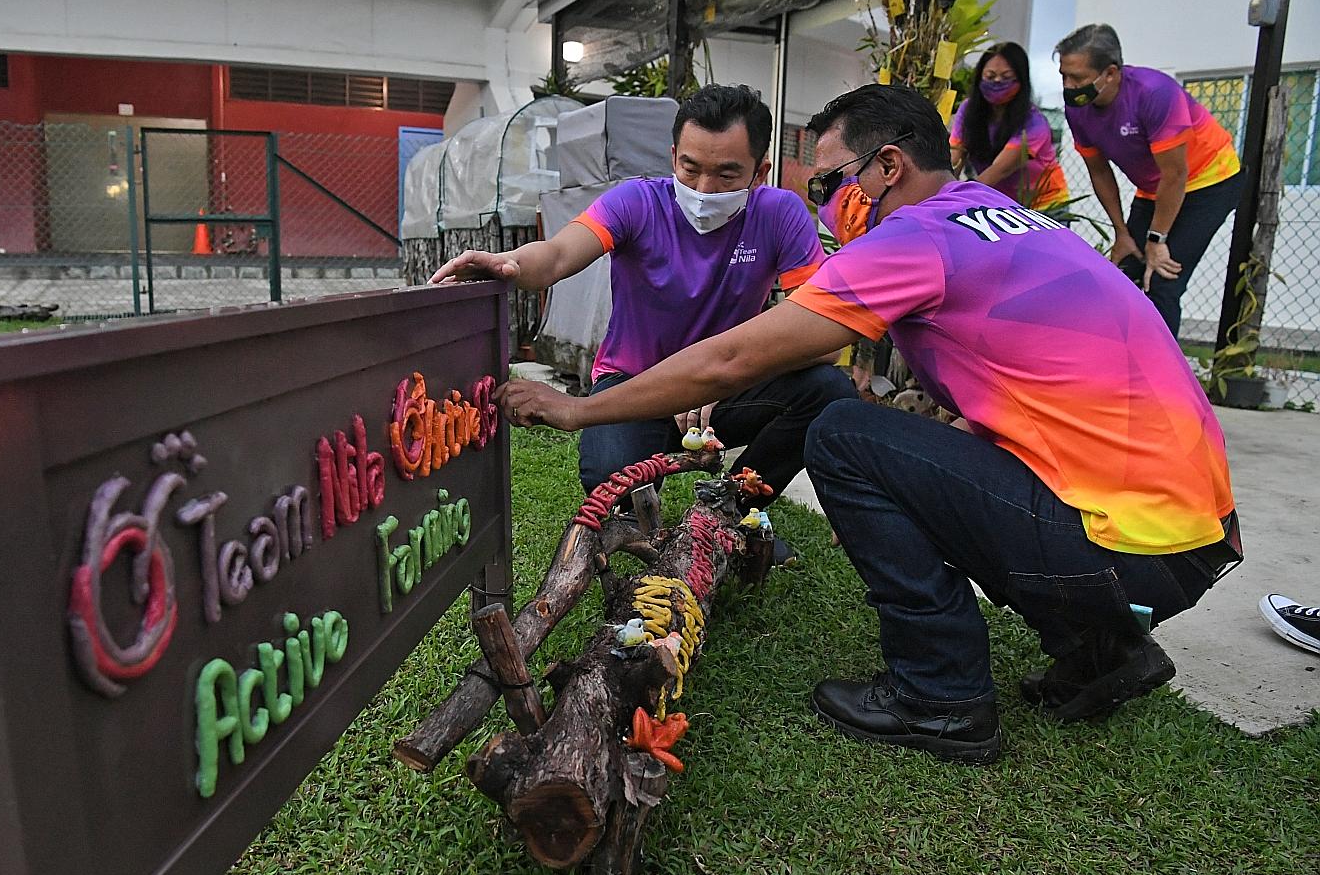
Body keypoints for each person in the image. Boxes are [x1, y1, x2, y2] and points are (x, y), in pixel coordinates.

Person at [497, 84, 1242, 765]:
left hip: (1120, 545)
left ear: (886, 167)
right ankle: (1103, 647)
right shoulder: (1004, 218)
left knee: (844, 434)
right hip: (1192, 538)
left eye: (829, 184)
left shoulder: (908, 239)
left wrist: (575, 408)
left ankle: (942, 694)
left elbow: (732, 360)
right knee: (911, 447)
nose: (824, 207)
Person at [430, 84, 856, 510]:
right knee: (610, 478)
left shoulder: (780, 214)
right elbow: (557, 254)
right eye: (690, 169)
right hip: (633, 384)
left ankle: (732, 509)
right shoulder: (636, 202)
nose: (704, 188)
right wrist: (509, 263)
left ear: (759, 173)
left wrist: (729, 376)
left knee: (828, 391)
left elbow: (822, 340)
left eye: (726, 175)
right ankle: (642, 519)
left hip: (727, 389)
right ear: (673, 157)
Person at [1057, 23, 1243, 337]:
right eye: (1063, 76)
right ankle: (1120, 358)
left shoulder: (1155, 93)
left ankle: (1163, 367)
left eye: (1077, 78)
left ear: (1110, 73)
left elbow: (1176, 174)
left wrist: (1157, 241)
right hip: (1155, 187)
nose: (1068, 85)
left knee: (1161, 281)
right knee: (1124, 273)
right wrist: (1121, 232)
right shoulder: (1078, 110)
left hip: (1208, 180)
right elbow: (1099, 171)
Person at [950, 42, 1071, 211]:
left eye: (1006, 77)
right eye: (990, 76)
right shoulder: (968, 110)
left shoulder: (1033, 122)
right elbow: (954, 157)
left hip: (1045, 206)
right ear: (979, 77)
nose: (997, 81)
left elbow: (1000, 170)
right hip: (1000, 204)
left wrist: (955, 199)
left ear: (1021, 80)